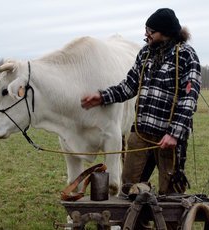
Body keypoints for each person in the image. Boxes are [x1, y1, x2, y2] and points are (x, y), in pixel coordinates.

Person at [81, 8, 201, 195]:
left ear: (166, 32)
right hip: (141, 134)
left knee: (171, 193)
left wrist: (174, 134)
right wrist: (102, 96)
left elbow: (188, 100)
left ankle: (171, 224)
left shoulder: (186, 55)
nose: (146, 35)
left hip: (168, 138)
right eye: (146, 29)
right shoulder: (145, 53)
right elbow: (129, 86)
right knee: (129, 187)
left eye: (151, 31)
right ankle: (138, 222)